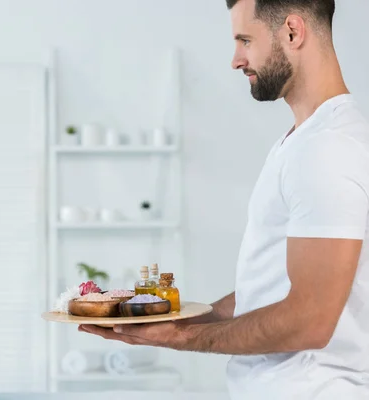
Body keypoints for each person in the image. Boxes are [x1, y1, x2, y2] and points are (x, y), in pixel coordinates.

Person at [80, 0, 369, 398]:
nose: (236, 60)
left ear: (292, 32)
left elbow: (311, 319)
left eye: (245, 40)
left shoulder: (327, 148)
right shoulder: (305, 141)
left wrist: (179, 340)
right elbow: (275, 288)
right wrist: (177, 320)